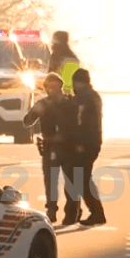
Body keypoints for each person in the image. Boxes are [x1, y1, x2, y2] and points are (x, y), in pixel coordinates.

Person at [24, 72, 71, 223]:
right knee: (51, 180)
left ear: (60, 85)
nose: (52, 88)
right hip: (50, 146)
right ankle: (52, 209)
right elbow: (27, 121)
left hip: (68, 146)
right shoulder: (43, 104)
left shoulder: (69, 102)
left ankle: (72, 211)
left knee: (70, 180)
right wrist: (35, 110)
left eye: (54, 85)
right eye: (48, 86)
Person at [63, 68, 106, 227]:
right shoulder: (92, 96)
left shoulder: (85, 98)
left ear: (79, 82)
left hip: (86, 144)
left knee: (82, 178)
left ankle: (97, 213)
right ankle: (94, 212)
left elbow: (80, 121)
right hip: (90, 142)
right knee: (82, 178)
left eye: (75, 82)